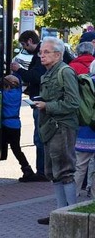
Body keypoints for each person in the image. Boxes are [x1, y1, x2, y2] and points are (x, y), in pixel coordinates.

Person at [35, 36, 81, 225]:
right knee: (52, 171)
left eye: (46, 52)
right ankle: (60, 213)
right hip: (50, 127)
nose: (41, 55)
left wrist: (47, 106)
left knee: (64, 170)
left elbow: (73, 103)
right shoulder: (48, 73)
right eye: (41, 52)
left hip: (62, 127)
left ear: (58, 54)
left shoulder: (65, 72)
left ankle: (71, 214)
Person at [11, 30, 47, 178]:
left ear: (31, 41)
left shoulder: (40, 56)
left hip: (40, 101)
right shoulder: (38, 55)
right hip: (38, 99)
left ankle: (42, 171)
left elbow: (36, 76)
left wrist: (19, 70)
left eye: (24, 45)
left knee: (40, 138)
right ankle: (43, 170)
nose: (24, 48)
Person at [70, 41, 95, 197]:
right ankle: (93, 197)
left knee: (80, 165)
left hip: (84, 127)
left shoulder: (75, 70)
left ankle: (72, 197)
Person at [1, 74, 37, 182]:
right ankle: (26, 168)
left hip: (6, 124)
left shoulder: (4, 95)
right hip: (16, 124)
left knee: (2, 143)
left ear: (7, 86)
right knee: (16, 149)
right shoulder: (17, 93)